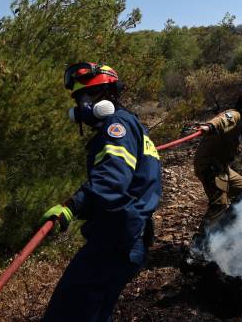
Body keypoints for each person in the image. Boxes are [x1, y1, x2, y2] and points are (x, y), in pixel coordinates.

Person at [40, 62, 162, 322]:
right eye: (79, 98)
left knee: (65, 314)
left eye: (87, 96)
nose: (82, 105)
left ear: (108, 95)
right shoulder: (135, 126)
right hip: (131, 239)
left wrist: (72, 205)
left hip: (115, 242)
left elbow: (110, 182)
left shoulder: (116, 127)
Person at [193, 82, 242, 232]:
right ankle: (199, 246)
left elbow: (234, 143)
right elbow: (224, 119)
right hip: (210, 165)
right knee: (219, 205)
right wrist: (210, 126)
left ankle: (220, 233)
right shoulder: (235, 115)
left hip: (223, 167)